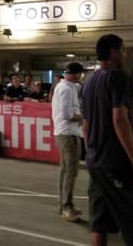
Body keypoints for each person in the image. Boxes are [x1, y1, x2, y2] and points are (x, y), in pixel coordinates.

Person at [80, 34, 133, 246]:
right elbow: (120, 120)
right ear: (114, 52)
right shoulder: (119, 78)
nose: (125, 55)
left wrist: (90, 153)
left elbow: (86, 124)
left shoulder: (88, 82)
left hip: (96, 162)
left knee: (100, 223)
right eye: (123, 50)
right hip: (117, 162)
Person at [52, 62, 85, 222]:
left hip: (69, 132)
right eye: (80, 74)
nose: (81, 77)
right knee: (70, 171)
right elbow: (67, 114)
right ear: (76, 74)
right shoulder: (65, 89)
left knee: (66, 169)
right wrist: (85, 117)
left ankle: (63, 204)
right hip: (67, 133)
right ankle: (66, 206)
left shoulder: (70, 87)